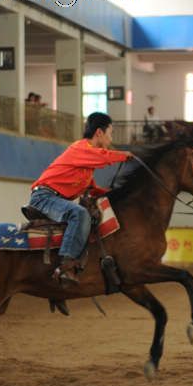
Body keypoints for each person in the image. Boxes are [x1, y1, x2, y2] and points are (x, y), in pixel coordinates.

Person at [27, 112, 132, 284]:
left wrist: (111, 194)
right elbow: (103, 157)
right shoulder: (81, 148)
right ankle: (67, 266)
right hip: (43, 197)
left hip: (51, 198)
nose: (110, 139)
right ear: (99, 132)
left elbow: (93, 189)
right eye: (110, 133)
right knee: (79, 214)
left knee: (81, 214)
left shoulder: (86, 164)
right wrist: (124, 155)